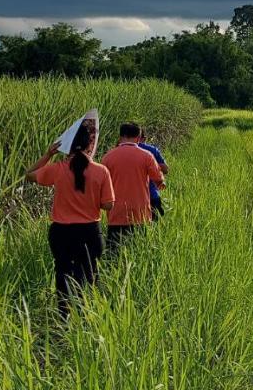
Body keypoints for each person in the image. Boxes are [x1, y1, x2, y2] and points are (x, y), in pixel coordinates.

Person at [25, 120, 114, 315]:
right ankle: (85, 317)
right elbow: (108, 205)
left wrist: (49, 154)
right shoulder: (101, 171)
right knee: (88, 276)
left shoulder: (58, 169)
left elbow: (29, 174)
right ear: (91, 144)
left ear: (68, 146)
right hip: (90, 232)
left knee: (63, 273)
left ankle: (64, 317)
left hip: (62, 232)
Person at [102, 122, 165, 257]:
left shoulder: (108, 157)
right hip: (140, 212)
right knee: (140, 252)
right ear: (138, 137)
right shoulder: (147, 156)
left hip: (116, 213)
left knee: (114, 254)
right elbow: (159, 180)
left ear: (120, 137)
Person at [137, 134, 169, 220]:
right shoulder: (151, 150)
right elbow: (165, 169)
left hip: (128, 198)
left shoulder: (117, 151)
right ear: (143, 138)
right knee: (155, 225)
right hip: (152, 194)